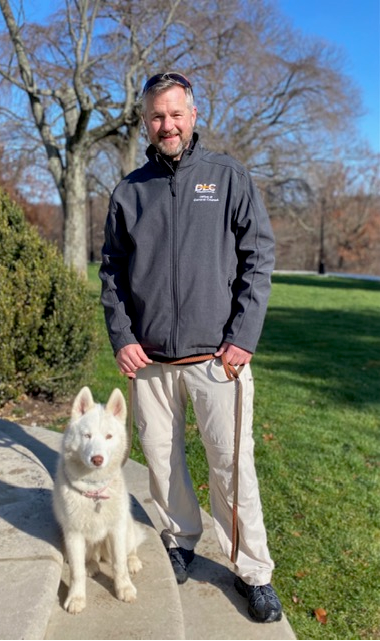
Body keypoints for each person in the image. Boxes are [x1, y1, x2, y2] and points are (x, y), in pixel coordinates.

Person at [99, 72, 282, 623]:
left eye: (176, 114)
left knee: (231, 468)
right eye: (157, 116)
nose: (167, 125)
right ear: (145, 123)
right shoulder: (129, 191)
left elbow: (259, 258)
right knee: (161, 462)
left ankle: (253, 570)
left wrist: (242, 338)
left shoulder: (227, 177)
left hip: (216, 361)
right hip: (151, 362)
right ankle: (179, 539)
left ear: (193, 114)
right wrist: (123, 337)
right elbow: (111, 272)